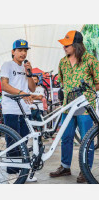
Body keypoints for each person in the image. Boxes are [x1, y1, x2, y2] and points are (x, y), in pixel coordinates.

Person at [49, 30, 99, 183]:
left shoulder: (90, 60)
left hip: (85, 106)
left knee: (86, 139)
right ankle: (65, 167)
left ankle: (86, 170)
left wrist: (87, 94)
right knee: (66, 137)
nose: (64, 48)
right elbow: (63, 82)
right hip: (68, 106)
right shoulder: (63, 62)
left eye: (67, 45)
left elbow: (98, 82)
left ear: (77, 45)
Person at [0, 39, 36, 182]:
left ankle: (23, 171)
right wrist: (21, 93)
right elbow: (4, 85)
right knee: (13, 141)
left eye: (25, 50)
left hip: (26, 110)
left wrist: (29, 73)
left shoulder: (26, 68)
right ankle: (13, 173)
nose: (23, 53)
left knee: (24, 140)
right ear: (13, 52)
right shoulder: (7, 65)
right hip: (11, 109)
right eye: (20, 50)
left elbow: (32, 88)